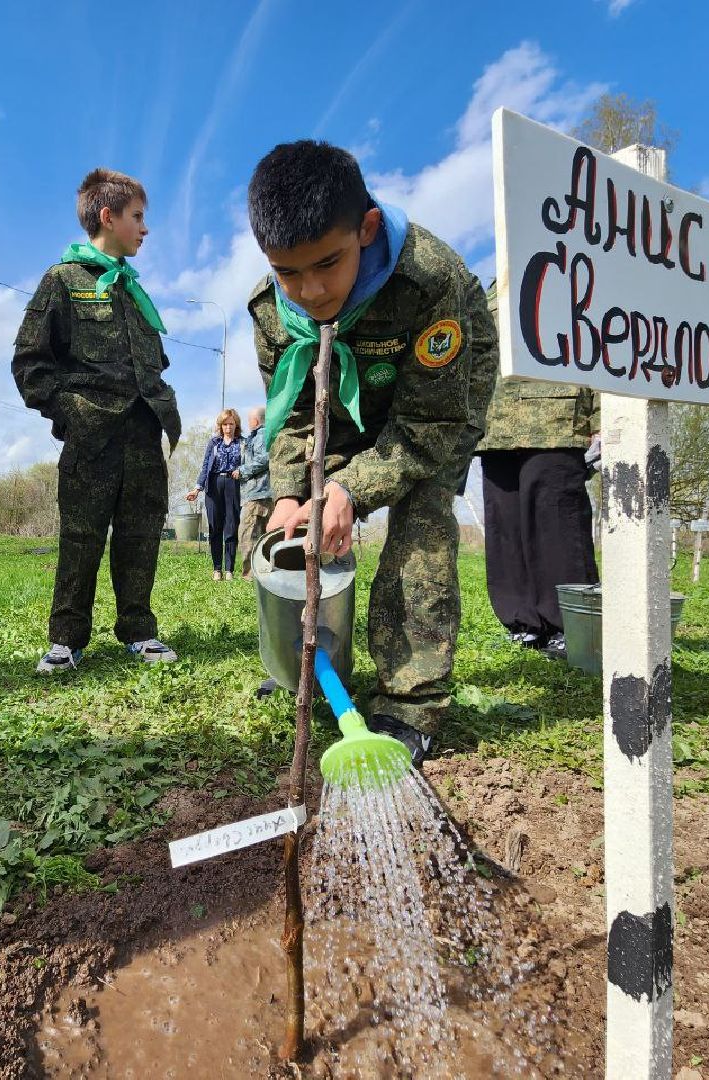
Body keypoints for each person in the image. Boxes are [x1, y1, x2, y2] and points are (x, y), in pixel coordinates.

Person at [246, 140, 497, 766]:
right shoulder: (272, 310)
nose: (308, 290)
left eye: (327, 264)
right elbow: (296, 413)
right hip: (342, 400)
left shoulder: (431, 282)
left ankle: (410, 702)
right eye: (287, 272)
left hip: (434, 400)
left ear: (367, 228)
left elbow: (430, 422)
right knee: (299, 529)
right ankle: (300, 665)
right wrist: (289, 493)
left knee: (421, 518)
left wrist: (350, 489)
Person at [13, 168, 181, 674]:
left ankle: (139, 631)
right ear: (107, 217)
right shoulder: (62, 280)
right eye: (137, 217)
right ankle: (66, 639)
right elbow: (30, 363)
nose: (145, 229)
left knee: (141, 532)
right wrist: (73, 413)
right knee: (81, 536)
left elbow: (152, 362)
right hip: (92, 435)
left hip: (143, 431)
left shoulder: (132, 290)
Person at [475, 282, 599, 660]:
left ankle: (571, 627)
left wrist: (601, 416)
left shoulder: (577, 279)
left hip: (556, 421)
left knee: (556, 527)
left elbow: (602, 343)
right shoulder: (487, 292)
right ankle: (523, 624)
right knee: (505, 530)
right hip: (495, 425)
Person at [185, 409, 244, 580]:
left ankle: (229, 570)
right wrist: (197, 489)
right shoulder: (213, 443)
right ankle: (217, 569)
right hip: (213, 485)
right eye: (225, 424)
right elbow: (205, 466)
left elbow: (248, 463)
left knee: (231, 527)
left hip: (233, 484)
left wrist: (242, 470)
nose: (228, 427)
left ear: (236, 425)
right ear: (220, 426)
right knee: (215, 527)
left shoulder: (242, 443)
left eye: (231, 424)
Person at [236, 405, 274, 579]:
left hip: (258, 493)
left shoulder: (261, 435)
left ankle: (250, 575)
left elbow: (263, 458)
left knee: (247, 535)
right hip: (263, 493)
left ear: (255, 420)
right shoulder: (264, 435)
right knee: (265, 536)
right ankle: (266, 574)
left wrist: (242, 470)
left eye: (249, 419)